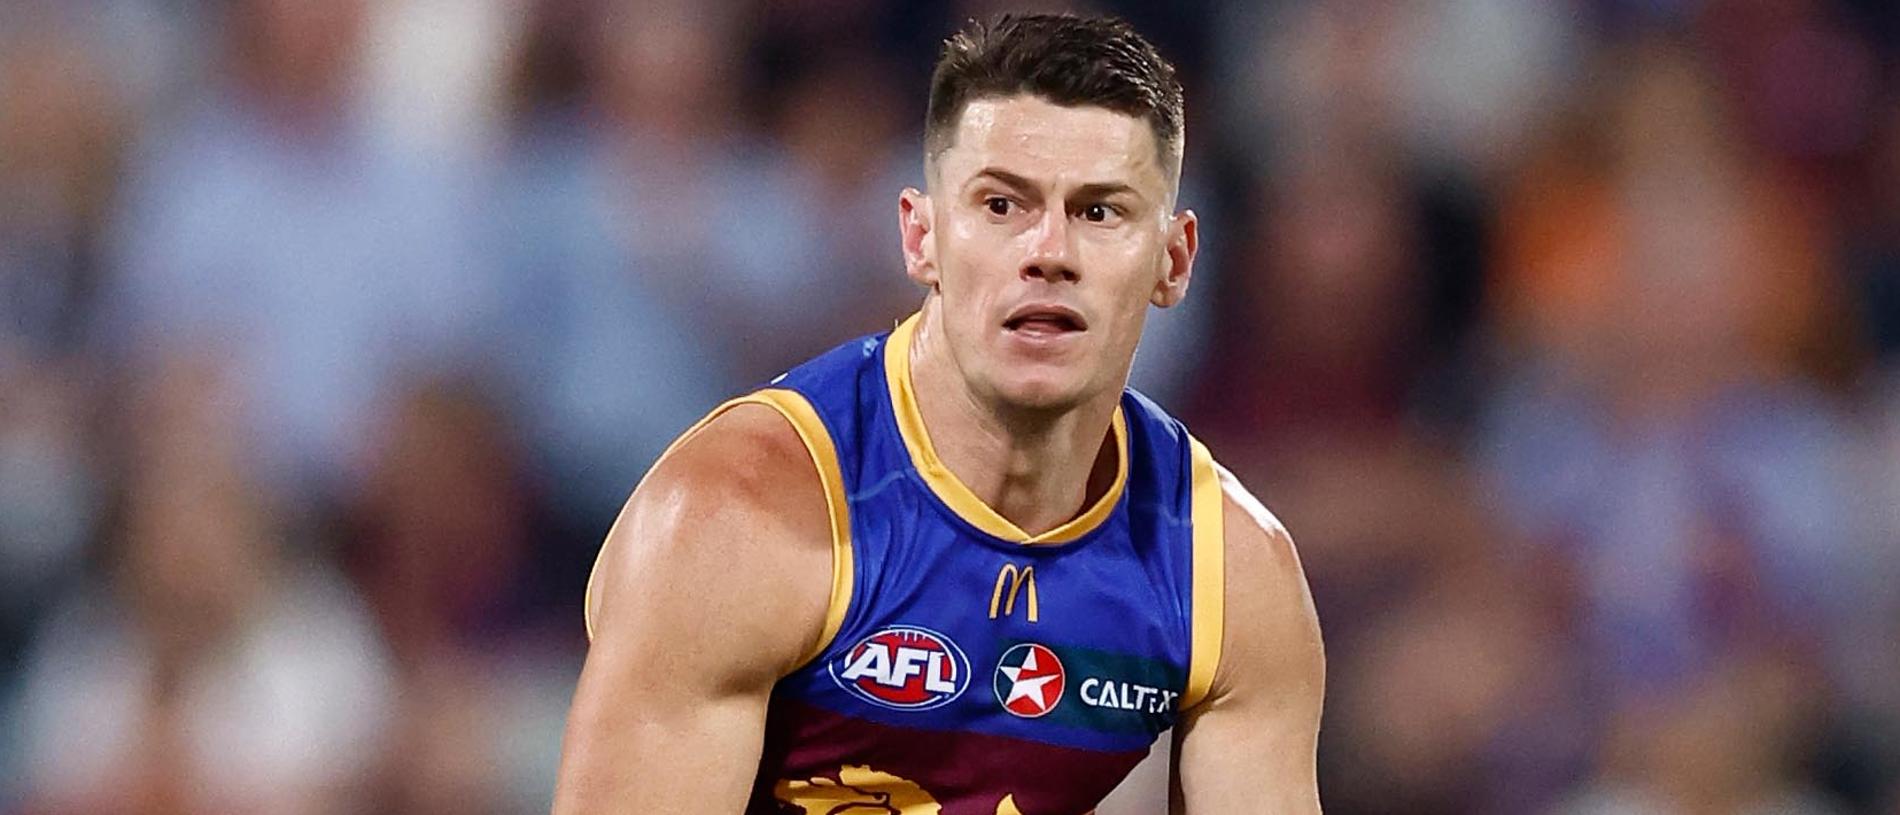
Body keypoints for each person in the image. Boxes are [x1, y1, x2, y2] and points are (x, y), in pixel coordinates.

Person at [552, 13, 1324, 814]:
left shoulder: (1228, 573)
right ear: (920, 238)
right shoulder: (736, 516)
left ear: (1174, 260)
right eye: (1001, 205)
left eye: (1100, 212)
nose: (1048, 252)